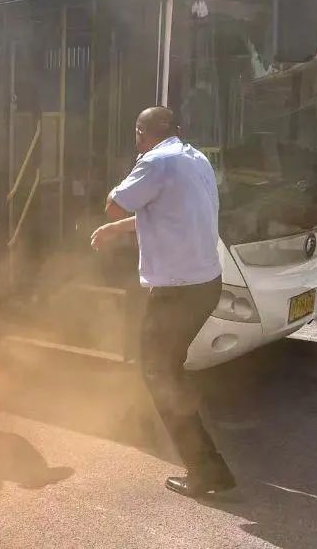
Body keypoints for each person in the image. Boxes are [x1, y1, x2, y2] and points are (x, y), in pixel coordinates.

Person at [90, 107, 235, 498]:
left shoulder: (154, 162)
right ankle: (208, 465)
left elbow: (114, 202)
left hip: (177, 291)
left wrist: (120, 195)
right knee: (167, 370)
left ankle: (206, 471)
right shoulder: (194, 157)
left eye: (137, 135)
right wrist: (115, 230)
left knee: (161, 375)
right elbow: (164, 212)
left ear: (140, 134)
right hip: (204, 284)